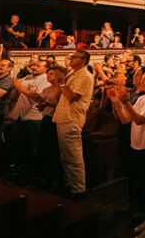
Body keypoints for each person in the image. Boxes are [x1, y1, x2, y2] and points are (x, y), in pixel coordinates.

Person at [108, 69, 145, 238]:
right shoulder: (142, 98)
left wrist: (126, 103)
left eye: (144, 79)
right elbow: (126, 119)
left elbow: (140, 120)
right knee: (143, 186)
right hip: (139, 146)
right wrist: (116, 102)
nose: (141, 81)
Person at [53, 50, 94, 197]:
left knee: (73, 155)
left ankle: (78, 189)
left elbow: (71, 97)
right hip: (63, 116)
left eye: (75, 57)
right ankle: (70, 184)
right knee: (65, 156)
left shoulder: (86, 76)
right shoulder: (72, 74)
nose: (71, 58)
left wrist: (63, 84)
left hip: (72, 118)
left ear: (83, 60)